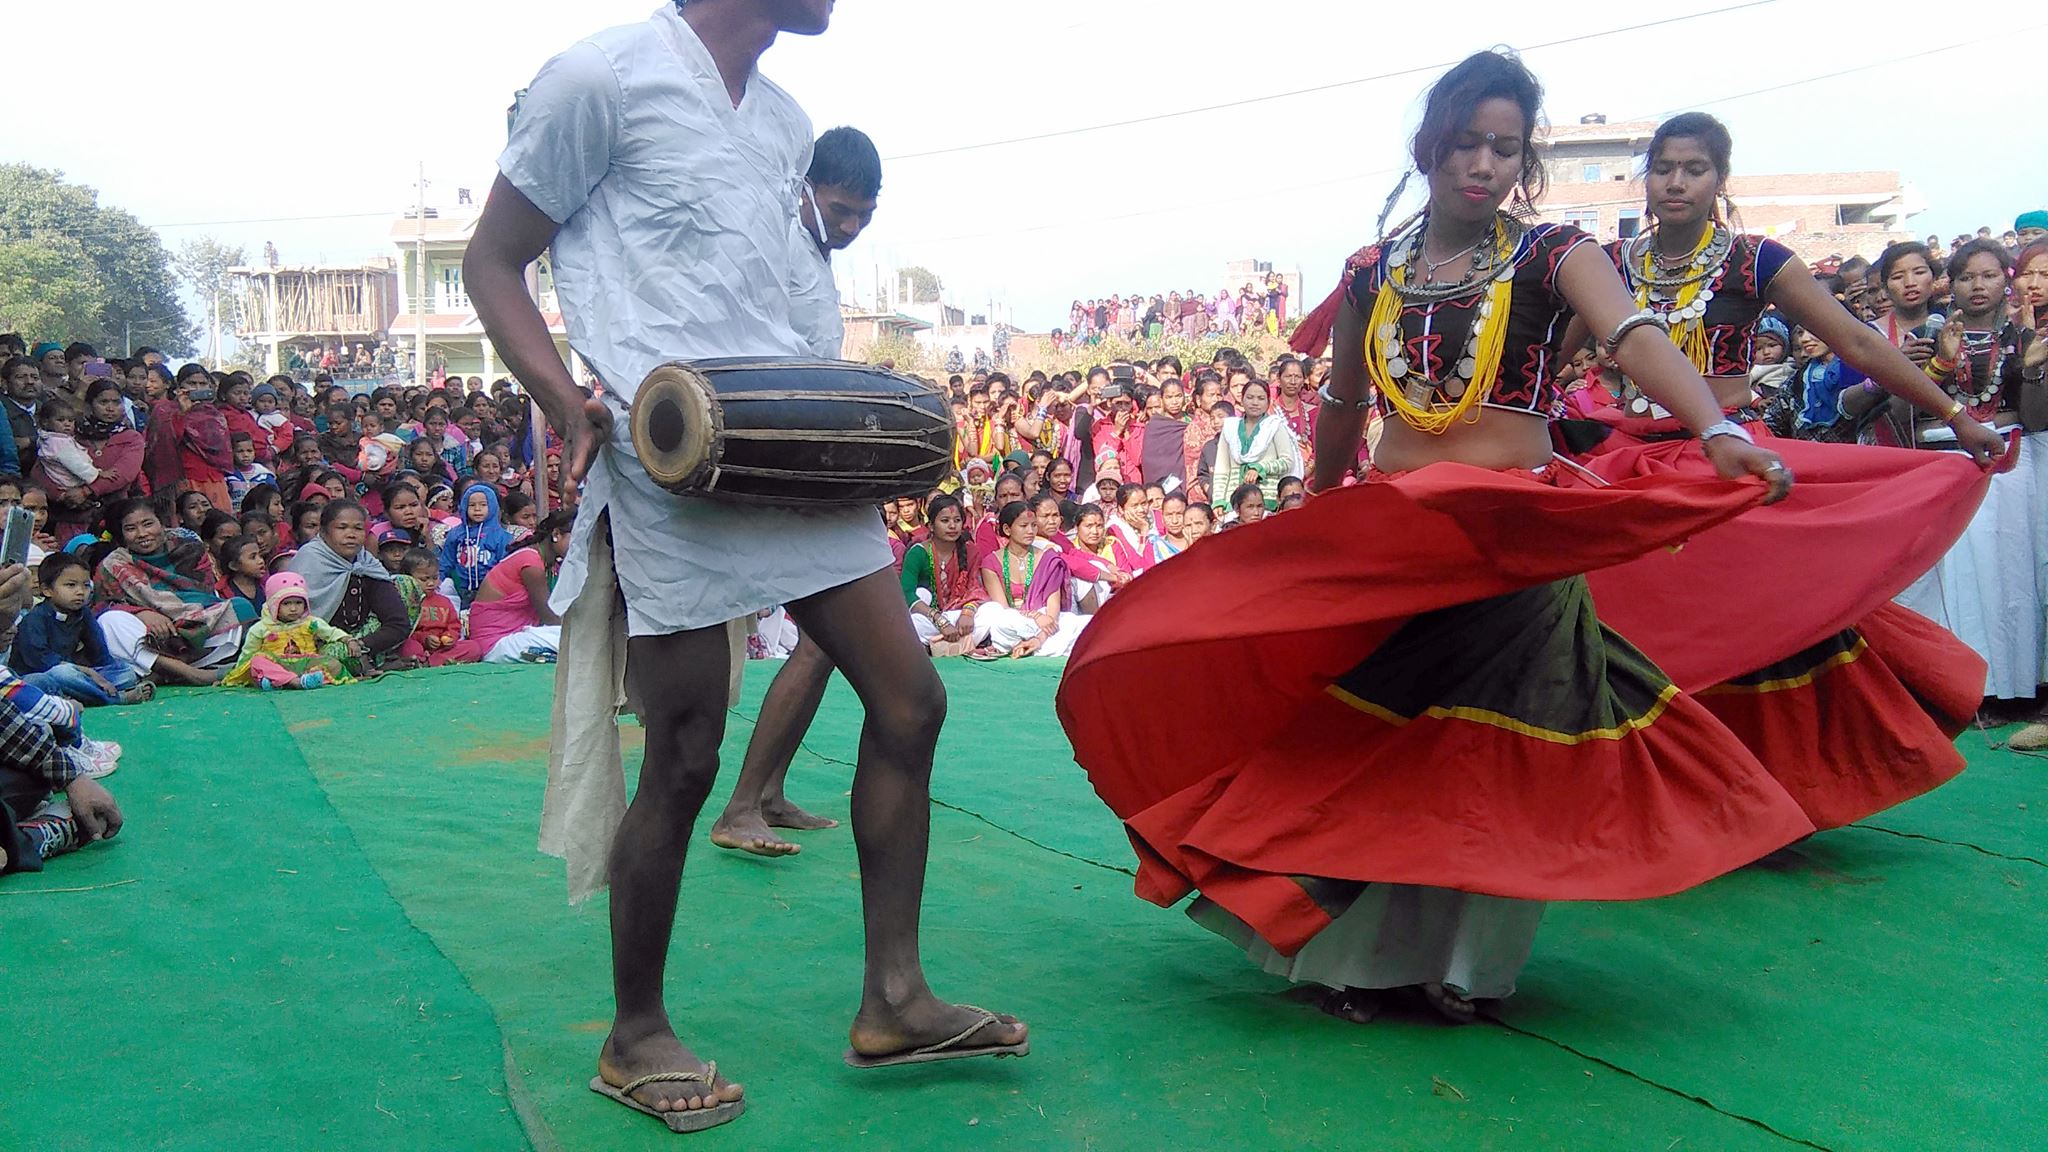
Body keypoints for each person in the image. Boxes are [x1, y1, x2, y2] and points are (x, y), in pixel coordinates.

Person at [1063, 50, 1813, 1028]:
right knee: (1381, 741)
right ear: (1428, 147)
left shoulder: (1553, 255)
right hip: (1397, 542)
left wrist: (1713, 429)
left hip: (1514, 540)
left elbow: (1632, 336)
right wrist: (1317, 512)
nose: (1484, 163)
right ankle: (1355, 960)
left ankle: (1465, 967)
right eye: (1467, 142)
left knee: (1503, 748)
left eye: (1504, 147)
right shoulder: (1371, 271)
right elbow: (1339, 403)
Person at [473, 7, 1024, 1122]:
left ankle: (893, 999)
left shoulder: (784, 123)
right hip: (663, 451)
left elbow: (779, 297)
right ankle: (633, 1036)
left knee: (910, 701)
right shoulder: (599, 78)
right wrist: (557, 392)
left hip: (786, 440)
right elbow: (493, 260)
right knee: (681, 752)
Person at [1892, 240, 2048, 703]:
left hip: (2009, 471)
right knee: (1950, 579)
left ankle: (2012, 688)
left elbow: (2036, 418)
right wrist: (1938, 363)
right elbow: (1903, 414)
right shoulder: (1927, 340)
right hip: (1943, 471)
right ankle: (1955, 689)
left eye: (1988, 276)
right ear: (1951, 285)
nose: (1977, 286)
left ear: (2006, 279)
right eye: (1965, 277)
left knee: (2008, 577)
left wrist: (2035, 371)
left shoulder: (2026, 340)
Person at [0, 562, 126, 879]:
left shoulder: (82, 616)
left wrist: (70, 777)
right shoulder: (39, 621)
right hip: (42, 681)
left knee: (30, 772)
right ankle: (37, 837)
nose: (79, 592)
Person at [92, 498, 250, 686]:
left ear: (162, 523)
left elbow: (203, 594)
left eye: (148, 524)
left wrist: (172, 615)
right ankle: (189, 673)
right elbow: (103, 606)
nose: (142, 534)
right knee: (110, 621)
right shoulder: (113, 565)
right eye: (131, 528)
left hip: (195, 624)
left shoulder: (189, 548)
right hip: (151, 634)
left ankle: (167, 672)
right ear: (122, 534)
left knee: (240, 607)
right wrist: (142, 613)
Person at [287, 500, 413, 676]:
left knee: (405, 584)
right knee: (332, 657)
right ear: (323, 532)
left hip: (359, 642)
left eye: (358, 528)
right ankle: (362, 664)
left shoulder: (366, 564)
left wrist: (359, 644)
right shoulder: (308, 562)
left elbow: (398, 622)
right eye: (342, 527)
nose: (351, 534)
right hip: (317, 645)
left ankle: (376, 660)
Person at [11, 553, 152, 706]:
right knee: (59, 675)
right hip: (42, 676)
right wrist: (88, 672)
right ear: (46, 590)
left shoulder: (82, 613)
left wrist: (102, 674)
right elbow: (41, 662)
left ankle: (79, 695)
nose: (80, 592)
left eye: (85, 585)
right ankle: (116, 699)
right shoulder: (35, 619)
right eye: (71, 585)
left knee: (126, 673)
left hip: (76, 675)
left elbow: (100, 653)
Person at [975, 501, 1086, 659]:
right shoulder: (991, 562)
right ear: (1007, 529)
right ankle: (1048, 646)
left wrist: (1038, 639)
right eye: (1023, 526)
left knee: (1083, 623)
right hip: (1014, 622)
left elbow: (1052, 614)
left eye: (1034, 525)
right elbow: (1004, 610)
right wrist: (1035, 617)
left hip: (1046, 625)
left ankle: (1032, 646)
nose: (1030, 531)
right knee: (1001, 620)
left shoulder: (1049, 559)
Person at [464, 509, 573, 664]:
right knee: (575, 638)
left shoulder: (548, 562)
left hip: (516, 636)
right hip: (496, 644)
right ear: (556, 534)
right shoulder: (531, 563)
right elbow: (550, 617)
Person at [42, 379, 144, 542]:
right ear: (89, 405)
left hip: (113, 518)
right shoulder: (68, 435)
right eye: (103, 402)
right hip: (70, 517)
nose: (110, 408)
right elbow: (41, 469)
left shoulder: (131, 437)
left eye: (116, 402)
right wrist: (63, 496)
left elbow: (124, 474)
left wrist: (86, 492)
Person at [221, 572, 358, 690]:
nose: (293, 609)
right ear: (274, 605)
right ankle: (295, 682)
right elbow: (248, 653)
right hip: (276, 665)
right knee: (257, 661)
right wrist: (236, 673)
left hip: (305, 663)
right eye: (286, 604)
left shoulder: (310, 622)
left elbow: (331, 632)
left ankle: (282, 683)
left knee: (333, 664)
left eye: (298, 603)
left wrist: (348, 640)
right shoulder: (261, 627)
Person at [899, 494, 987, 653]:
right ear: (931, 525)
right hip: (928, 617)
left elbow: (976, 588)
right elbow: (907, 593)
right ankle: (959, 643)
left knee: (993, 611)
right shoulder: (918, 552)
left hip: (959, 614)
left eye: (957, 520)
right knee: (913, 616)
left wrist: (968, 612)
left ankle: (944, 643)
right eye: (945, 521)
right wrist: (939, 620)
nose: (952, 526)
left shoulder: (971, 551)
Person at [1208, 379, 1300, 511]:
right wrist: (1218, 500)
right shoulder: (1230, 428)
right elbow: (1222, 469)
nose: (1255, 402)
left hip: (1266, 501)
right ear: (1242, 400)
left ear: (1268, 402)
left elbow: (1287, 461)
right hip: (1233, 501)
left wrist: (1260, 468)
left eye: (1261, 398)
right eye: (1250, 397)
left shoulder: (1274, 426)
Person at [439, 482, 514, 607]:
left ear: (492, 506)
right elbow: (447, 560)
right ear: (464, 507)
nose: (477, 509)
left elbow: (505, 565)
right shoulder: (456, 533)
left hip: (490, 590)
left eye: (483, 505)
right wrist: (440, 579)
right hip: (461, 589)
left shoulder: (501, 536)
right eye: (472, 505)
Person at [34, 397, 97, 491]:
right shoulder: (58, 443)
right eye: (60, 420)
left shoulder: (50, 438)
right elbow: (75, 464)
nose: (67, 424)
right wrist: (96, 474)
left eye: (71, 420)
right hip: (72, 483)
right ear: (45, 422)